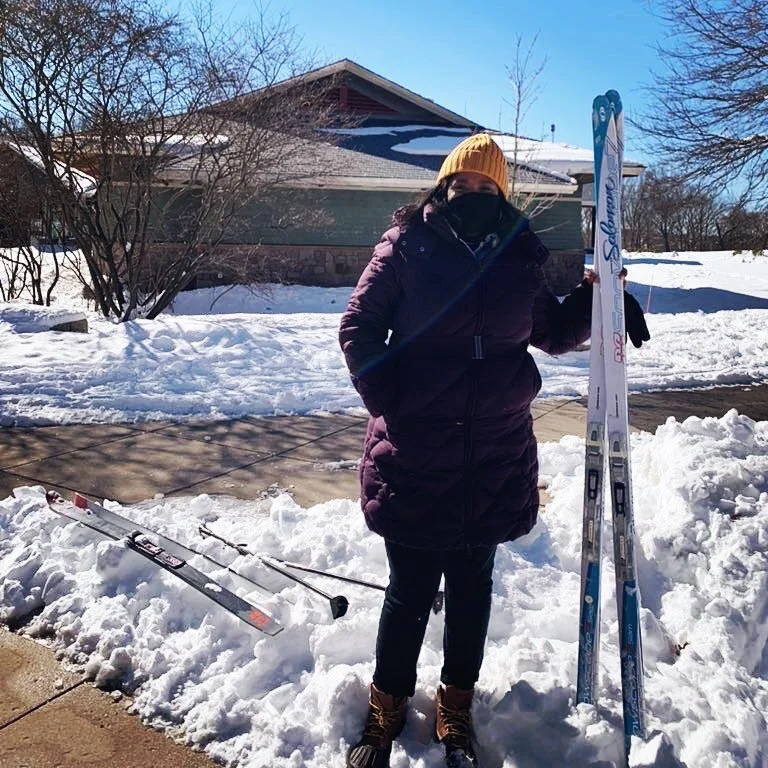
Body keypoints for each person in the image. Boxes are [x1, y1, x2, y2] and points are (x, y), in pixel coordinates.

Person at [338, 133, 649, 768]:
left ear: (501, 193)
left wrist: (600, 299)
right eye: (464, 184)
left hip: (494, 451)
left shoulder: (516, 258)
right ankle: (386, 704)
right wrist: (390, 398)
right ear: (444, 187)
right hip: (418, 445)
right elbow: (360, 327)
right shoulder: (406, 246)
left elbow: (554, 331)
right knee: (410, 586)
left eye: (487, 186)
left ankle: (456, 705)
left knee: (474, 585)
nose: (474, 194)